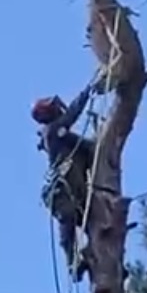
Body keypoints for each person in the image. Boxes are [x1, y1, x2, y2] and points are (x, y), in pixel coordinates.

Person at [31, 83, 96, 276]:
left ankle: (100, 258)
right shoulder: (53, 132)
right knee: (67, 219)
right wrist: (87, 92)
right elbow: (72, 113)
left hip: (79, 193)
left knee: (97, 224)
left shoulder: (65, 138)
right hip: (64, 191)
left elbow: (88, 147)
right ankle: (73, 263)